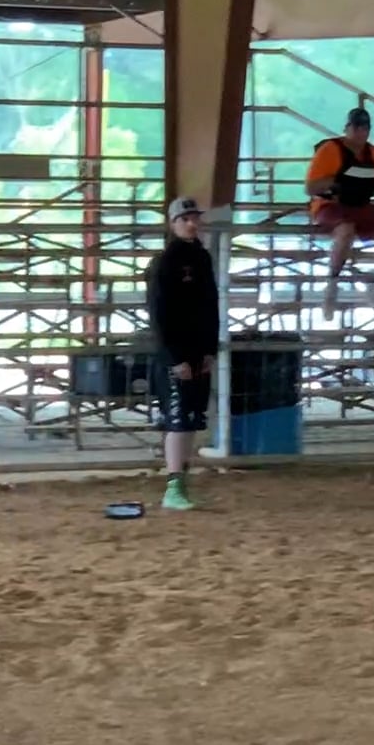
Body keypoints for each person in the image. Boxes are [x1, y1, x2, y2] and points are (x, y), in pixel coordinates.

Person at [146, 197, 220, 511]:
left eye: (195, 218)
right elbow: (159, 314)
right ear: (174, 223)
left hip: (197, 350)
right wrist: (173, 357)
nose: (192, 223)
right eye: (185, 218)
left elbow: (210, 306)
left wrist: (208, 350)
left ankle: (181, 483)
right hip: (176, 353)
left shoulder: (201, 258)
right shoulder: (165, 262)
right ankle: (173, 484)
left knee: (189, 419)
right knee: (177, 419)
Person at [305, 107, 374, 318]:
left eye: (365, 128)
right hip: (331, 206)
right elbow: (311, 187)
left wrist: (359, 186)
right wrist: (340, 183)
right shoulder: (330, 149)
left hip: (361, 206)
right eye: (356, 127)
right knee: (345, 230)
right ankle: (332, 286)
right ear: (347, 128)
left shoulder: (373, 154)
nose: (360, 132)